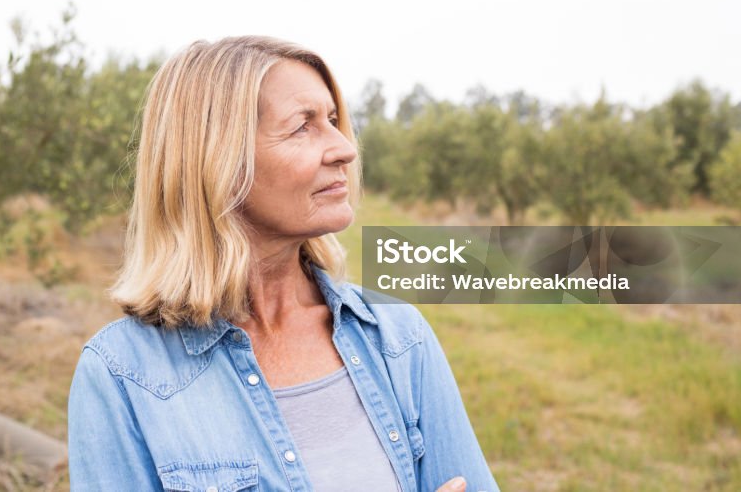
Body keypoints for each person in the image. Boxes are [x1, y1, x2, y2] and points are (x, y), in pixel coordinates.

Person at [68, 36, 499, 491]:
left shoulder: (398, 338)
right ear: (217, 161)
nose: (344, 148)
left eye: (333, 120)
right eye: (302, 126)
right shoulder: (121, 375)